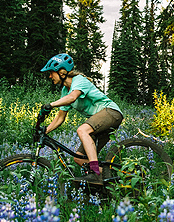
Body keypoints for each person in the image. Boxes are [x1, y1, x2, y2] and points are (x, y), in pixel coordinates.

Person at [39, 53, 123, 184]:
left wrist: (51, 105)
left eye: (51, 73)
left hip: (111, 113)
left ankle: (94, 173)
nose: (50, 76)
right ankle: (113, 178)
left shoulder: (79, 81)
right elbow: (60, 117)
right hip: (100, 122)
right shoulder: (65, 91)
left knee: (83, 130)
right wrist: (45, 131)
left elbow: (72, 98)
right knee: (79, 159)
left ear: (62, 72)